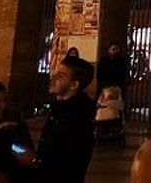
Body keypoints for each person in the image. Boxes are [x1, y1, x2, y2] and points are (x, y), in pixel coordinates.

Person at [21, 55, 97, 183]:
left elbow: (67, 166)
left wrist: (34, 161)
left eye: (60, 76)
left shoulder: (76, 119)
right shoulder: (59, 111)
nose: (53, 78)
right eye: (54, 73)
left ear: (74, 84)